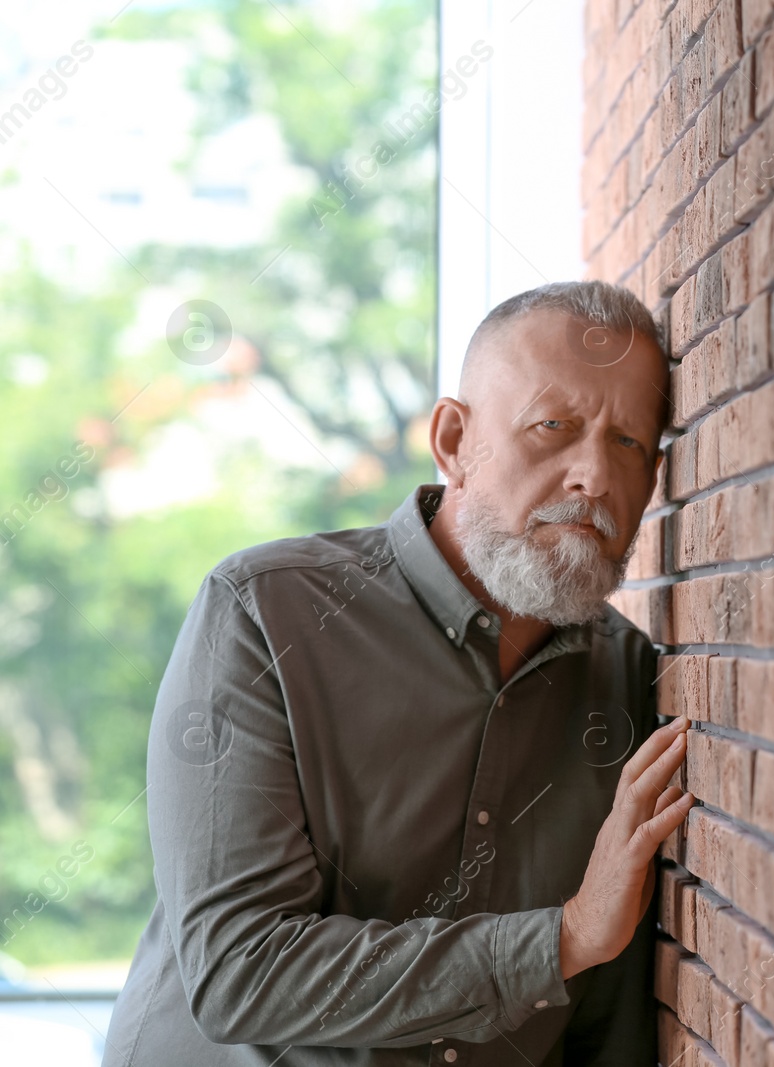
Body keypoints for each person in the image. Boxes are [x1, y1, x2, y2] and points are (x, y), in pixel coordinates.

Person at [104, 281, 693, 1066]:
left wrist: (583, 944)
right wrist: (562, 937)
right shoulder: (264, 616)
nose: (593, 476)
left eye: (628, 443)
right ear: (453, 439)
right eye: (553, 427)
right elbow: (239, 969)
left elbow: (607, 1019)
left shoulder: (630, 679)